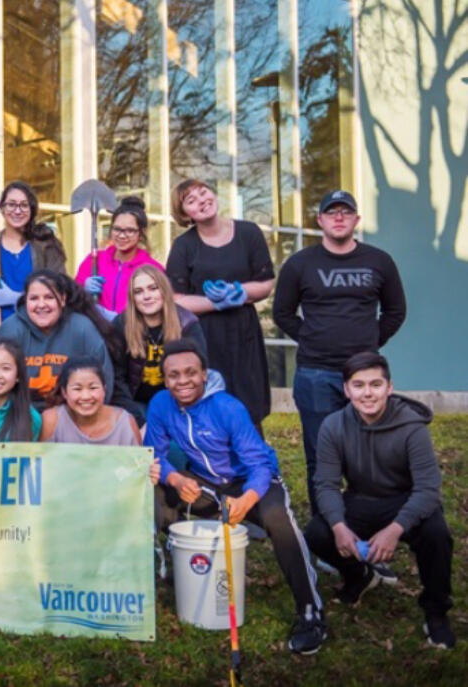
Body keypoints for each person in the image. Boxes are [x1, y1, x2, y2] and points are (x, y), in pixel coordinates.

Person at [148, 339, 325, 655]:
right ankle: (182, 566)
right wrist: (174, 477)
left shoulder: (228, 407)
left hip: (252, 480)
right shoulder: (161, 404)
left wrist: (246, 500)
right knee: (157, 495)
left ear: (204, 374)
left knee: (277, 520)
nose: (182, 381)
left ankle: (310, 611)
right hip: (205, 481)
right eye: (173, 375)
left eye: (190, 373)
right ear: (165, 378)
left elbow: (259, 463)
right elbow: (154, 455)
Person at [303, 352, 454, 649]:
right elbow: (326, 484)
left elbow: (428, 489)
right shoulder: (333, 426)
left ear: (389, 387)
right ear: (346, 390)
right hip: (360, 500)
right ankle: (359, 575)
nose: (367, 393)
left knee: (437, 534)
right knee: (318, 533)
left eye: (375, 384)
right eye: (358, 385)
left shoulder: (412, 427)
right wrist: (338, 526)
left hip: (405, 500)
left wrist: (395, 529)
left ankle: (436, 612)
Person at [273, 190, 407, 505]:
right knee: (321, 456)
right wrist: (311, 337)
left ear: (356, 220)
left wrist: (370, 344)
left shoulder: (379, 261)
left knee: (370, 455)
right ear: (320, 220)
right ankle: (327, 536)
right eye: (331, 212)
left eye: (345, 212)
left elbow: (395, 312)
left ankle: (366, 528)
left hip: (365, 377)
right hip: (315, 374)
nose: (338, 217)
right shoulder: (300, 263)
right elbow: (282, 313)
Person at [166, 179, 275, 427]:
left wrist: (238, 291)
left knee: (248, 404)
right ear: (185, 215)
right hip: (203, 335)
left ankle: (253, 461)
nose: (201, 200)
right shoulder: (184, 246)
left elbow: (266, 283)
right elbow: (176, 300)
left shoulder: (249, 233)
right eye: (191, 201)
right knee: (209, 402)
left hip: (243, 332)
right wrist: (215, 303)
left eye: (203, 192)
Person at [0, 269, 115, 410]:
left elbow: (104, 379)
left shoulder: (82, 328)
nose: (41, 305)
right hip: (21, 414)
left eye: (49, 297)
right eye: (34, 298)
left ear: (62, 300)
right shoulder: (10, 331)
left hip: (73, 413)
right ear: (25, 302)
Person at [113, 265, 207, 419]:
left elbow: (198, 373)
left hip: (178, 402)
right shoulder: (121, 325)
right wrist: (136, 419)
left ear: (164, 291)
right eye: (138, 291)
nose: (146, 296)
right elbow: (117, 378)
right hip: (135, 403)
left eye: (153, 288)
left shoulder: (187, 324)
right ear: (132, 298)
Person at [0, 181, 67, 320]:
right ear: (2, 209)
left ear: (32, 209)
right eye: (11, 204)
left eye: (23, 205)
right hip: (1, 331)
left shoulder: (46, 245)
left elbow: (60, 288)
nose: (17, 211)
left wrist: (18, 298)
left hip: (40, 329)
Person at [74, 195, 164, 316]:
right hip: (97, 330)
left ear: (141, 233)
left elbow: (161, 309)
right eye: (117, 229)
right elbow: (72, 301)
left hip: (134, 332)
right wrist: (82, 290)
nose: (122, 236)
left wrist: (121, 321)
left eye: (130, 230)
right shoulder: (94, 261)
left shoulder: (153, 269)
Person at [44, 357, 142, 447]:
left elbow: (139, 463)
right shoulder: (52, 420)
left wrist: (149, 466)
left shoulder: (124, 423)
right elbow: (36, 462)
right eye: (77, 389)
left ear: (104, 390)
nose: (86, 396)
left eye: (93, 388)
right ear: (64, 392)